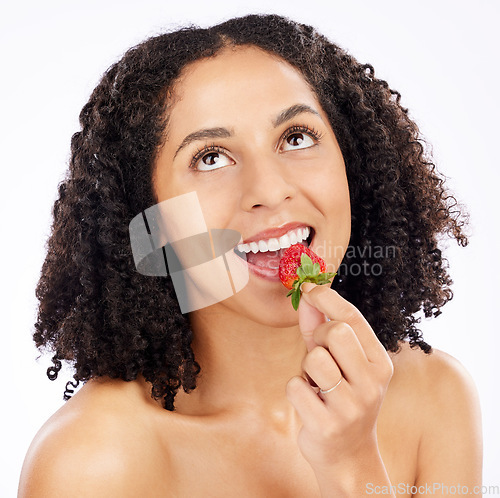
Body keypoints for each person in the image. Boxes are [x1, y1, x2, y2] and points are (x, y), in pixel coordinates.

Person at [18, 13, 482, 497]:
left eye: (296, 137)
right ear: (149, 220)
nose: (270, 190)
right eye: (211, 157)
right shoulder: (93, 461)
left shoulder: (436, 398)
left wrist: (352, 461)